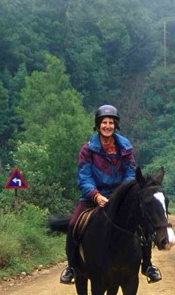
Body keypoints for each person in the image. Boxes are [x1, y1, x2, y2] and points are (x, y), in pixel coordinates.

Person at [59, 104, 163, 285]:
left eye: (111, 122)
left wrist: (121, 193)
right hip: (93, 196)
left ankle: (147, 265)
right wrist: (96, 195)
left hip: (119, 196)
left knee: (143, 223)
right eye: (104, 122)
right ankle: (72, 266)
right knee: (74, 223)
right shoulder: (87, 149)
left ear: (116, 125)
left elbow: (130, 172)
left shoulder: (125, 147)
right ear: (98, 125)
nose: (107, 126)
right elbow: (84, 176)